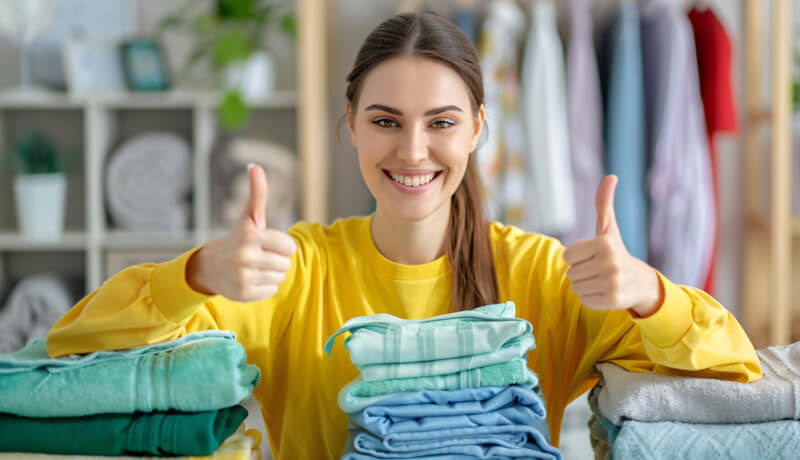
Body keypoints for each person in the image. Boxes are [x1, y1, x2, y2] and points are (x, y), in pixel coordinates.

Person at [46, 12, 760, 460]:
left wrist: (649, 295)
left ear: (479, 128)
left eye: (441, 123)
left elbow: (735, 369)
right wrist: (195, 274)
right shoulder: (290, 271)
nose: (413, 151)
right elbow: (75, 343)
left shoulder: (542, 272)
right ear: (350, 125)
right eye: (386, 121)